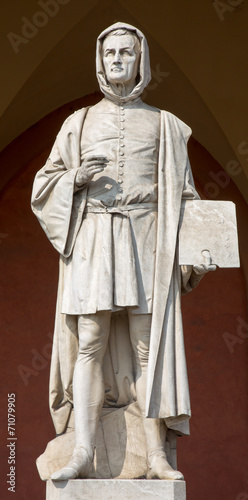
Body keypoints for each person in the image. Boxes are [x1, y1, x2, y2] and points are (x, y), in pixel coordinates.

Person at [31, 22, 215, 481]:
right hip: (94, 235)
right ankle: (83, 453)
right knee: (89, 341)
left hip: (146, 237)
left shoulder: (165, 125)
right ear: (100, 61)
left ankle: (155, 457)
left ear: (141, 61)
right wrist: (75, 180)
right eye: (110, 53)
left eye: (126, 53)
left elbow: (186, 195)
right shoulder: (77, 124)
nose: (117, 60)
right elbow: (43, 187)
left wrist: (200, 246)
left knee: (147, 347)